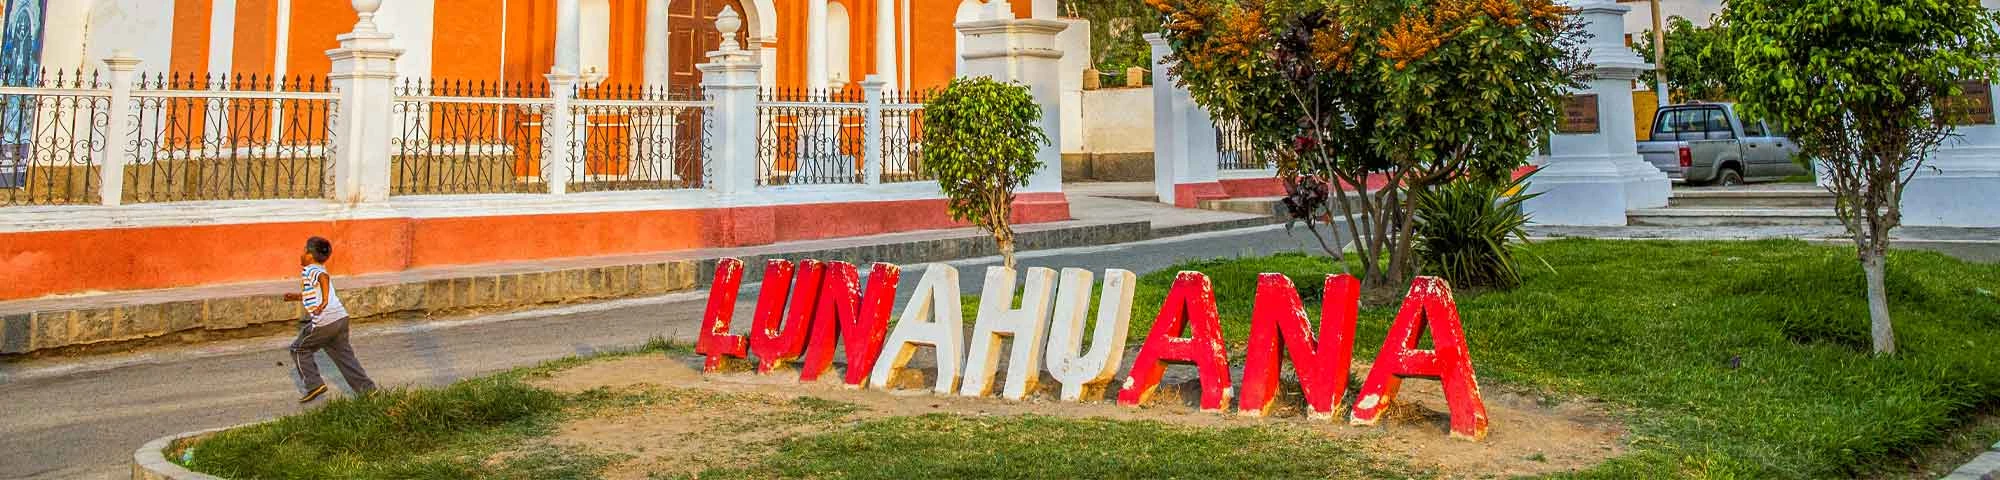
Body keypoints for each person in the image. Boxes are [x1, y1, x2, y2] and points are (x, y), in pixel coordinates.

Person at [282, 236, 376, 403]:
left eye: (304, 250)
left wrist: (324, 302)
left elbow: (324, 280)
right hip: (340, 319)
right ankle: (368, 391)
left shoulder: (312, 269)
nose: (301, 254)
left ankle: (314, 385)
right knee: (345, 357)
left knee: (298, 349)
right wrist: (296, 297)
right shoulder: (319, 268)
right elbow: (314, 293)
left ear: (310, 255)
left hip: (325, 321)